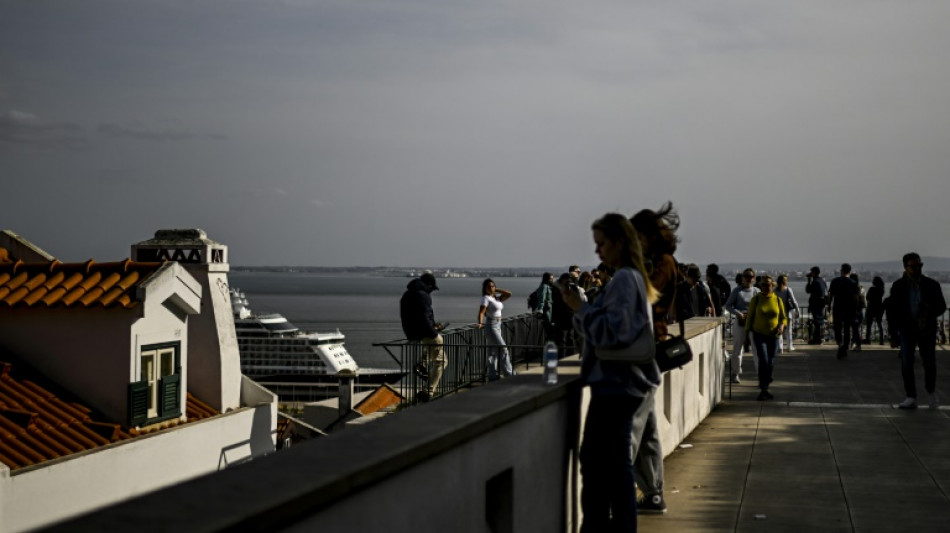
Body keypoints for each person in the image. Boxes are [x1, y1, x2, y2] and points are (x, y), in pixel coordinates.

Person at [562, 213, 660, 531]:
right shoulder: (632, 278)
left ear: (619, 242)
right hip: (619, 387)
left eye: (602, 243)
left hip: (616, 388)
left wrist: (581, 307)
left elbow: (614, 333)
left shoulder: (624, 280)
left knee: (607, 471)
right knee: (609, 469)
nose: (598, 251)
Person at [629, 201, 680, 515]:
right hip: (645, 351)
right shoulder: (656, 261)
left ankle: (619, 496)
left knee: (631, 430)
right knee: (646, 430)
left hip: (644, 352)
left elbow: (647, 296)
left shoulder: (663, 263)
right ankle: (653, 492)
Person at [889, 253, 947, 409]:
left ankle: (931, 392)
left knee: (929, 363)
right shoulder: (898, 286)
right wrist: (893, 335)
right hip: (907, 330)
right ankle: (911, 396)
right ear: (905, 267)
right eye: (913, 266)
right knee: (907, 363)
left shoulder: (932, 285)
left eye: (919, 266)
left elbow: (941, 306)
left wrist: (928, 310)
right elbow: (893, 312)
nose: (917, 269)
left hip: (926, 329)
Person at [399, 272, 447, 402]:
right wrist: (433, 331)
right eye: (432, 288)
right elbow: (424, 317)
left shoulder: (407, 294)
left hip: (413, 333)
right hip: (425, 333)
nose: (432, 291)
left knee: (431, 349)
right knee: (441, 361)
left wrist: (432, 325)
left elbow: (412, 317)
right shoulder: (423, 295)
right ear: (429, 285)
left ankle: (422, 364)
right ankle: (428, 392)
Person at [745, 275, 787, 401]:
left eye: (767, 285)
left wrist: (782, 326)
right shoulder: (756, 299)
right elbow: (750, 318)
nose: (765, 287)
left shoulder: (777, 300)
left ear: (772, 285)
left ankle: (766, 383)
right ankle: (763, 388)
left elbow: (783, 317)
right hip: (759, 335)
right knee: (763, 360)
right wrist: (746, 336)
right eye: (762, 285)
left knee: (771, 361)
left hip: (774, 336)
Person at [724, 268, 760, 383]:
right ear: (742, 277)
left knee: (756, 349)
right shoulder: (737, 291)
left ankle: (760, 374)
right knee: (737, 349)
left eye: (750, 276)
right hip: (740, 322)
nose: (748, 279)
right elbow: (728, 305)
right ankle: (735, 373)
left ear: (753, 278)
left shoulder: (756, 291)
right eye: (746, 276)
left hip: (754, 323)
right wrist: (737, 313)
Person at [477, 279, 515, 380]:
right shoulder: (485, 298)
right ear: (485, 288)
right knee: (503, 349)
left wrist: (496, 289)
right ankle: (510, 374)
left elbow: (509, 294)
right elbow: (481, 312)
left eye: (492, 286)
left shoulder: (496, 298)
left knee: (492, 352)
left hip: (498, 325)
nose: (491, 288)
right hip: (491, 325)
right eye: (489, 287)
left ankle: (492, 376)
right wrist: (480, 323)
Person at [827, 263, 858, 359]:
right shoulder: (853, 282)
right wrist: (855, 309)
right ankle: (845, 346)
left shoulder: (835, 281)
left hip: (837, 308)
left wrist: (828, 306)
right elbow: (855, 298)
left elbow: (830, 295)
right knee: (847, 328)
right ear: (849, 271)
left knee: (837, 328)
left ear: (841, 270)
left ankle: (840, 344)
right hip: (849, 309)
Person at [773, 274, 799, 353]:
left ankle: (780, 347)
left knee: (779, 330)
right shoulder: (788, 289)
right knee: (788, 331)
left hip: (778, 313)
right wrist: (797, 311)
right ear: (785, 281)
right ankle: (789, 346)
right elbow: (794, 301)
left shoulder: (774, 290)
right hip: (787, 313)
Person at [805, 266, 828, 344]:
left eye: (811, 272)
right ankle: (818, 338)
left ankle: (817, 339)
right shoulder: (822, 280)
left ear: (814, 272)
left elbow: (808, 290)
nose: (810, 273)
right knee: (819, 321)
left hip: (816, 304)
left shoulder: (815, 282)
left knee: (817, 322)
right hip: (821, 304)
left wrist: (809, 280)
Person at [533, 273, 555, 341]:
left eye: (552, 279)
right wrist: (540, 309)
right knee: (550, 331)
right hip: (547, 310)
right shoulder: (544, 286)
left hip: (549, 309)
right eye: (551, 279)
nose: (552, 280)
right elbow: (542, 298)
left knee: (550, 331)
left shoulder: (546, 286)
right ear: (547, 279)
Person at [864, 276, 886, 345]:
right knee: (880, 324)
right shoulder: (882, 290)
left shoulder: (871, 289)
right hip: (879, 308)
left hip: (871, 308)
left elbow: (867, 297)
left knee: (869, 325)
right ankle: (881, 340)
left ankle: (868, 339)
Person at [850, 273, 866, 352]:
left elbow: (854, 300)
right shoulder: (861, 288)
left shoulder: (854, 289)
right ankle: (853, 342)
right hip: (861, 311)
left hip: (855, 311)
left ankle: (858, 344)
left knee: (855, 329)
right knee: (856, 328)